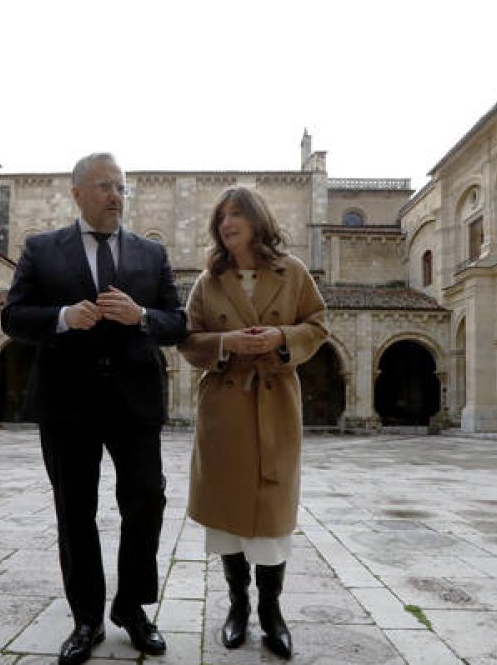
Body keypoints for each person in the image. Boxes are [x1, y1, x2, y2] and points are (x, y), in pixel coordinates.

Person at [1, 152, 187, 665]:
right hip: (68, 403)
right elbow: (13, 317)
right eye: (105, 186)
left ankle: (131, 607)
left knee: (146, 501)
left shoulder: (151, 254)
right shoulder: (41, 249)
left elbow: (179, 322)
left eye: (122, 187)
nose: (116, 196)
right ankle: (87, 617)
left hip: (135, 401)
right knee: (75, 512)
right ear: (78, 192)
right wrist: (61, 317)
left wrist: (141, 315)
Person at [177, 186, 328, 660]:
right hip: (225, 413)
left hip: (274, 407)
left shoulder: (293, 272)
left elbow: (319, 325)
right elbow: (188, 340)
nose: (227, 223)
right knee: (229, 516)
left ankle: (272, 613)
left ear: (257, 220)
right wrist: (227, 344)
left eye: (236, 214)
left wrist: (281, 337)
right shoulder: (208, 280)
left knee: (271, 514)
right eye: (221, 217)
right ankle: (237, 606)